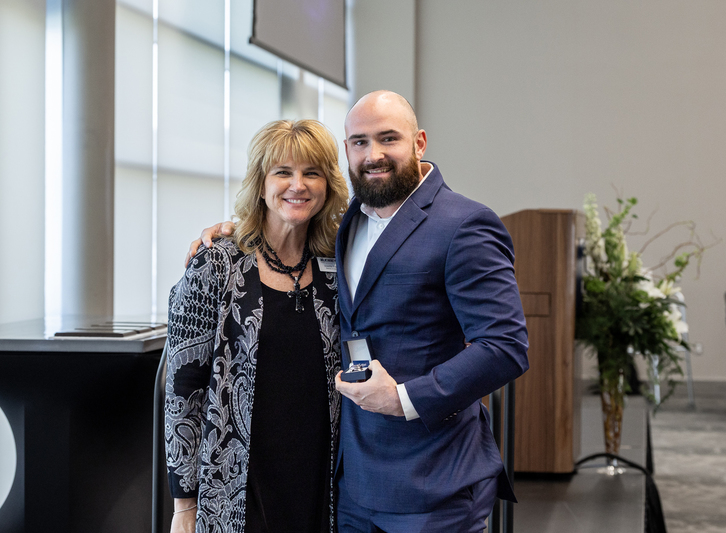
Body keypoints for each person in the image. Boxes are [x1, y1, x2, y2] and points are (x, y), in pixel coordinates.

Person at [191, 90, 529, 532]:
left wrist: (404, 399)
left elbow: (505, 347)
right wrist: (238, 230)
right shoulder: (346, 224)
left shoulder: (464, 224)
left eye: (388, 139)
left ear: (420, 142)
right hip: (349, 486)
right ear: (347, 150)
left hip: (432, 485)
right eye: (360, 142)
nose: (374, 155)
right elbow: (286, 227)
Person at [165, 119, 349, 533]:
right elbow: (182, 389)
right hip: (235, 485)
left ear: (328, 185)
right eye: (282, 172)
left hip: (321, 484)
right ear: (261, 184)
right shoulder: (216, 263)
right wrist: (183, 505)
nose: (297, 185)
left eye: (311, 172)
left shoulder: (339, 268)